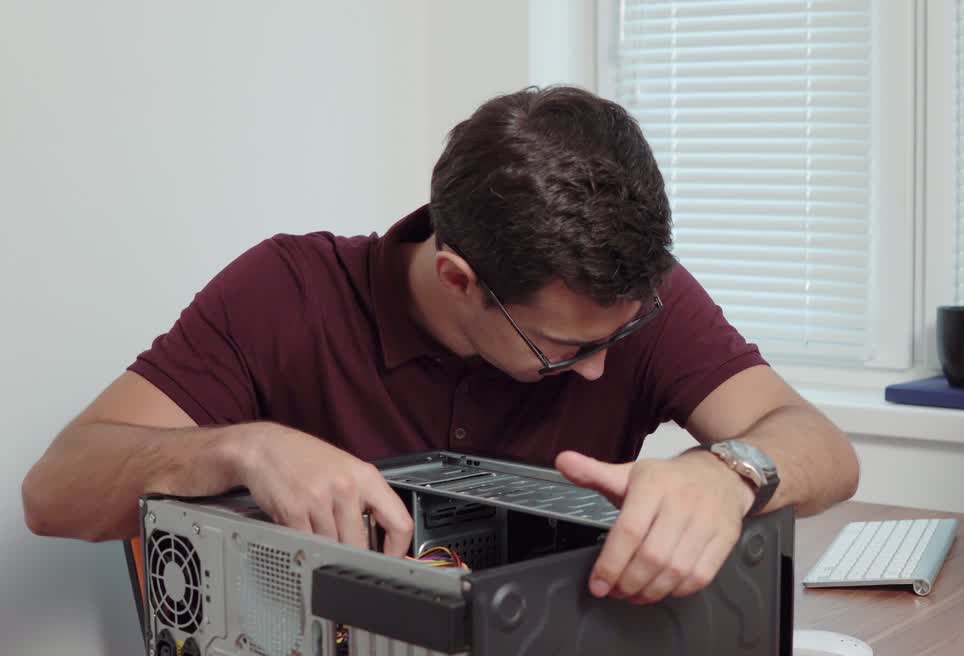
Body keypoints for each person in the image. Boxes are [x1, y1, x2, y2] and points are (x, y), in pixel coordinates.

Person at [23, 86, 859, 604]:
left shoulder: (627, 299)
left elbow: (822, 447)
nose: (602, 367)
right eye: (564, 348)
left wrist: (728, 473)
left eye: (624, 334)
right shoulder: (287, 294)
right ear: (458, 278)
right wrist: (243, 448)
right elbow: (53, 490)